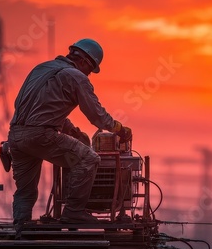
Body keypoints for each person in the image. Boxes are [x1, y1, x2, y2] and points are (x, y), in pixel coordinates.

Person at [7, 38, 131, 236]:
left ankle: (21, 229)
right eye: (90, 70)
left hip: (16, 137)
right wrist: (118, 128)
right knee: (88, 158)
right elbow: (96, 114)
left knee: (26, 191)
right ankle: (74, 211)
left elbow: (40, 108)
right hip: (40, 136)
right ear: (85, 62)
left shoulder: (42, 69)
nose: (88, 75)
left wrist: (72, 132)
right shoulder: (76, 76)